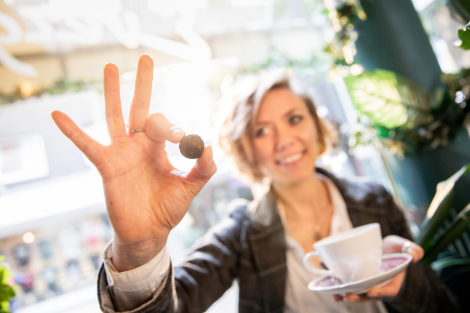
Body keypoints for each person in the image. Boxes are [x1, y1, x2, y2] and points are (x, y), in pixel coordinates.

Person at [51, 55, 459, 313]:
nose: (284, 140)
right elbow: (177, 304)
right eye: (262, 130)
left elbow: (441, 306)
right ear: (246, 149)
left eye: (295, 119)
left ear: (318, 130)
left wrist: (404, 280)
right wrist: (139, 249)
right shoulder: (240, 234)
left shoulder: (373, 200)